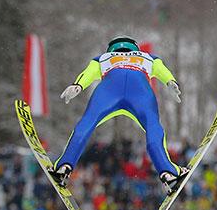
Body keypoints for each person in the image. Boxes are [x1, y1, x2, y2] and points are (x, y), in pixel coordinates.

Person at [51, 36, 188, 193]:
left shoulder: (102, 58)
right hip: (139, 91)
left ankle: (64, 165)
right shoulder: (149, 57)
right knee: (153, 127)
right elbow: (163, 71)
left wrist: (78, 86)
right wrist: (171, 82)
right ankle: (168, 172)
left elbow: (88, 73)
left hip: (109, 91)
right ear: (135, 48)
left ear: (111, 49)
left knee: (87, 122)